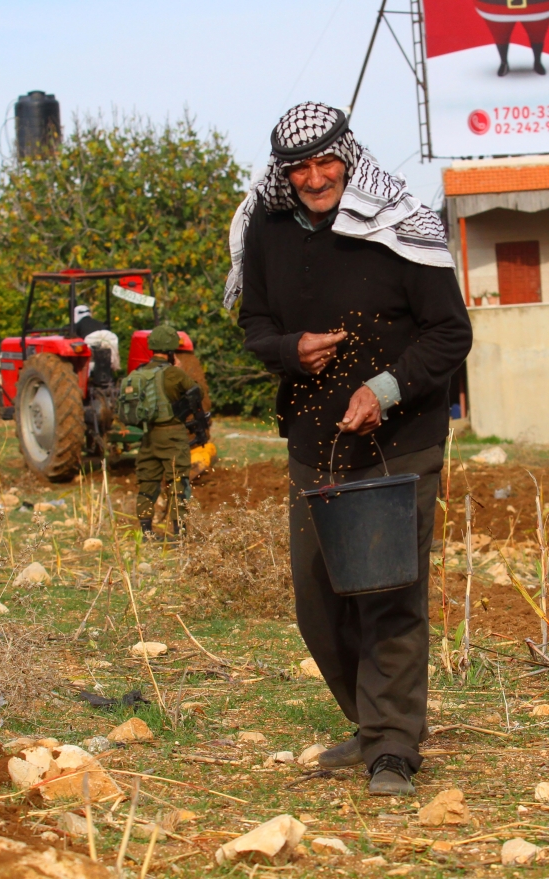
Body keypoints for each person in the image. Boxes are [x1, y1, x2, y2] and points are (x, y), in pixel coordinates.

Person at [226, 102, 473, 796]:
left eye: (325, 160)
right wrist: (288, 351)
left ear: (349, 153)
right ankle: (370, 725)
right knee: (319, 599)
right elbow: (255, 324)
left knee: (390, 591)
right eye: (298, 166)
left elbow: (450, 333)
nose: (313, 176)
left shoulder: (399, 223)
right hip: (314, 439)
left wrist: (387, 387)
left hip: (401, 437)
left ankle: (394, 745)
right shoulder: (268, 232)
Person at [134, 325, 198, 537]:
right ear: (171, 351)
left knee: (147, 483)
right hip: (172, 434)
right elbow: (195, 393)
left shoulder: (140, 372)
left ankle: (146, 532)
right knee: (178, 483)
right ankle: (180, 533)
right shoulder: (174, 373)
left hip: (148, 436)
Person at [473, 0, 549, 76]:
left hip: (536, 8)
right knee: (500, 36)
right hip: (498, 9)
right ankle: (504, 62)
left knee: (538, 35)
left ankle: (537, 62)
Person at [73, 304, 120, 371]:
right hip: (109, 337)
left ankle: (88, 374)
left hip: (91, 339)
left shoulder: (77, 325)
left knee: (88, 358)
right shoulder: (98, 323)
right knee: (107, 356)